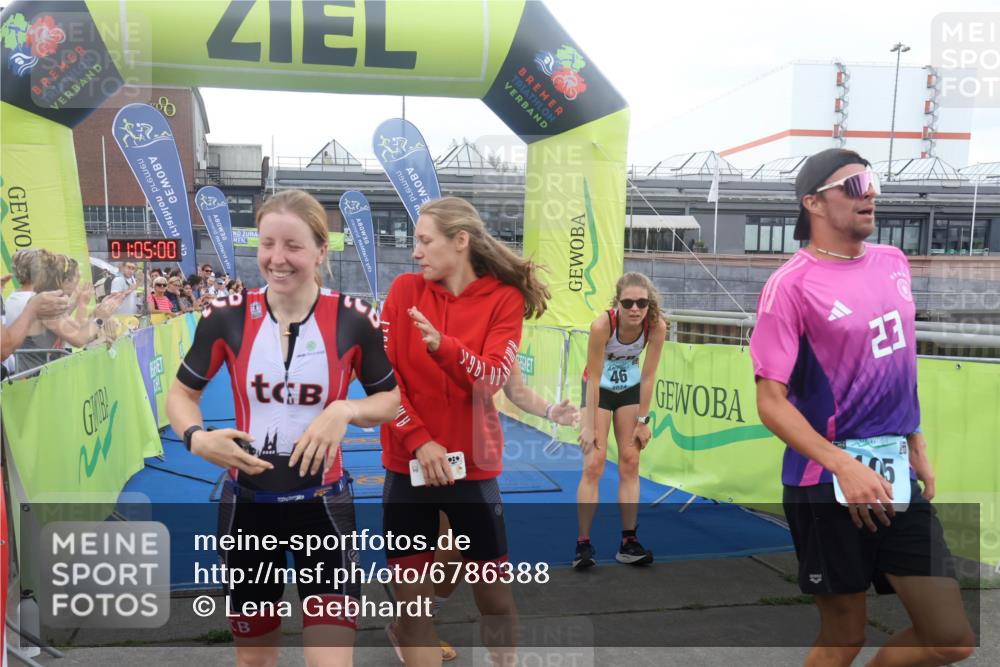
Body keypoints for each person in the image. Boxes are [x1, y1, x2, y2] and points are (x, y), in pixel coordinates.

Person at [750, 148, 975, 667]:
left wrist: (913, 438)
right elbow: (770, 401)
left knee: (951, 637)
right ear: (814, 203)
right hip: (825, 481)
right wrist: (841, 463)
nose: (870, 192)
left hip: (895, 475)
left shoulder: (894, 262)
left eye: (871, 181)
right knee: (843, 638)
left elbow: (899, 358)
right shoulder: (790, 285)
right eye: (853, 185)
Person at [166, 189, 400, 667]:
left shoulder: (354, 320)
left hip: (324, 510)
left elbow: (391, 399)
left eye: (293, 246)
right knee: (255, 660)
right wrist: (198, 437)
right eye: (267, 243)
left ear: (320, 250)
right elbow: (181, 396)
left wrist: (345, 412)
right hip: (248, 510)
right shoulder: (226, 316)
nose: (277, 258)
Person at [380, 196, 549, 666]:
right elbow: (382, 382)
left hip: (472, 471)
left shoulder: (503, 299)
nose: (415, 252)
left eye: (424, 241)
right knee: (413, 608)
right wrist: (419, 440)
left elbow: (491, 378)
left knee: (494, 599)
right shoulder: (403, 291)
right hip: (406, 465)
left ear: (460, 242)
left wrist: (444, 347)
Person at [386, 364, 580, 663]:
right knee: (437, 552)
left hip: (468, 469)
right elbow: (387, 390)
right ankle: (414, 625)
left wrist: (551, 411)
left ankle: (418, 622)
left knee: (461, 552)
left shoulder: (489, 329)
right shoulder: (407, 326)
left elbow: (516, 389)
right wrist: (418, 440)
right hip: (415, 463)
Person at [574, 272, 667, 569]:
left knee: (630, 461)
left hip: (629, 389)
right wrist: (588, 424)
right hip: (598, 390)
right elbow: (594, 376)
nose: (635, 309)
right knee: (594, 463)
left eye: (641, 302)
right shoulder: (603, 325)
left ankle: (628, 541)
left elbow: (649, 375)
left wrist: (643, 419)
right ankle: (583, 544)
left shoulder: (656, 327)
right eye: (628, 303)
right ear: (617, 303)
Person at [13, 252, 126, 373]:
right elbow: (79, 338)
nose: (78, 285)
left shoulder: (28, 297)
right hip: (32, 377)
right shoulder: (44, 302)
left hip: (35, 373)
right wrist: (98, 318)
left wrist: (95, 314)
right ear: (64, 280)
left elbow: (75, 329)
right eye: (77, 280)